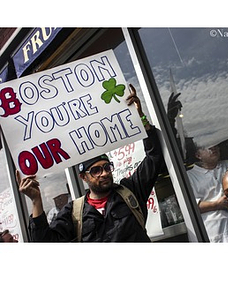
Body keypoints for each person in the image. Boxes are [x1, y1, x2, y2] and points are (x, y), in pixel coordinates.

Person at [16, 84, 163, 242]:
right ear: (83, 177)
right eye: (96, 171)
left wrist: (140, 118)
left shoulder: (130, 191)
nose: (105, 173)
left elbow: (154, 157)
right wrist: (36, 201)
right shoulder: (74, 212)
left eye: (107, 167)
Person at [186, 144, 228, 242]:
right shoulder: (190, 177)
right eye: (206, 147)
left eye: (215, 145)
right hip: (216, 233)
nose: (212, 148)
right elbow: (189, 206)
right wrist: (216, 204)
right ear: (198, 155)